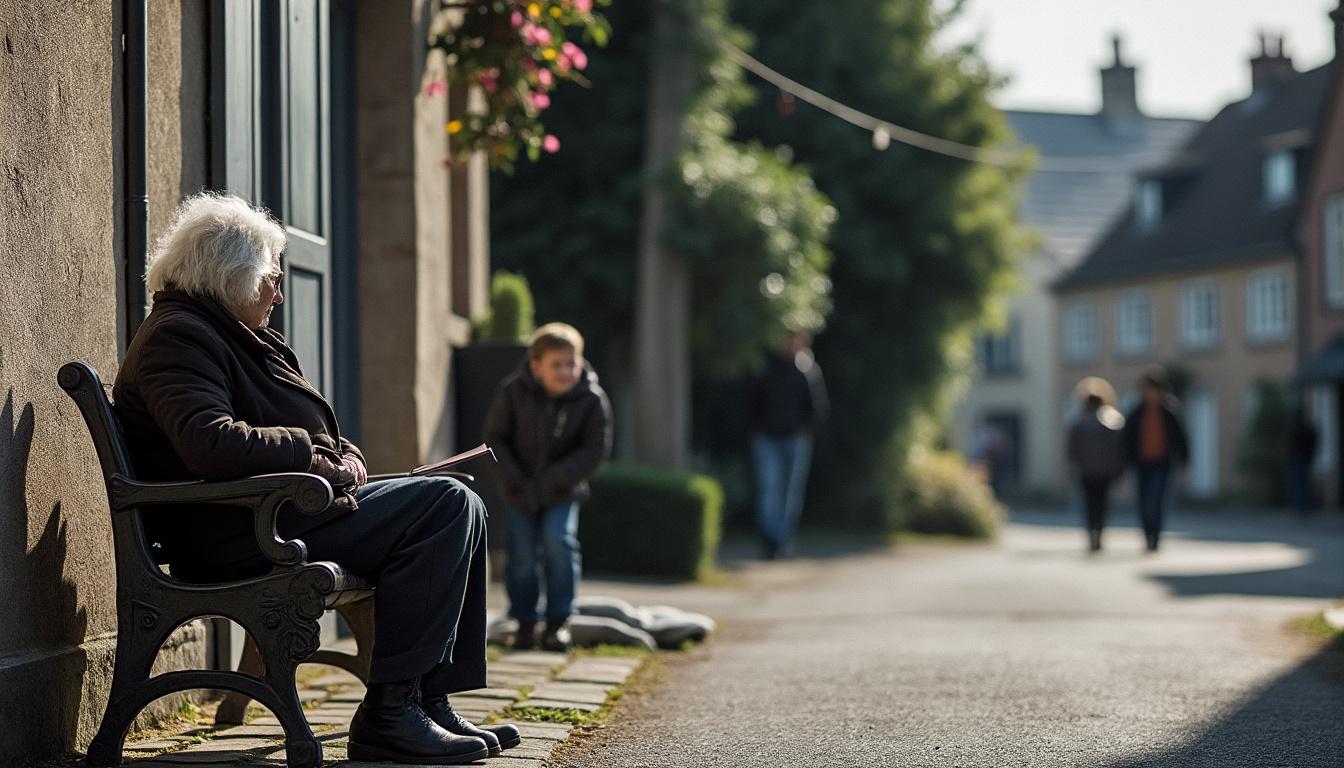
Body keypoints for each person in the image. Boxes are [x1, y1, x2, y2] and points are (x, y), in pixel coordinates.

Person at [113, 192, 519, 765]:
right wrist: (315, 458)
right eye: (271, 279)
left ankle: (427, 700)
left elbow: (298, 426)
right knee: (445, 505)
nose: (279, 293)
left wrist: (342, 453)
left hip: (281, 512)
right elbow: (212, 443)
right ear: (231, 274)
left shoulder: (231, 333)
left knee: (463, 501)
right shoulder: (178, 336)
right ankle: (389, 715)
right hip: (242, 530)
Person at [484, 323, 612, 652]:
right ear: (536, 365)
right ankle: (525, 622)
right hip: (519, 492)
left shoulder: (591, 399)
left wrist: (553, 481)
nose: (565, 371)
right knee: (522, 555)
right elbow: (496, 439)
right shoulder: (512, 391)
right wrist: (516, 480)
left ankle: (558, 622)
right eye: (556, 365)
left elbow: (594, 450)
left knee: (559, 542)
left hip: (562, 492)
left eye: (571, 364)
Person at [750, 329, 828, 559]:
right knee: (769, 488)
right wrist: (756, 430)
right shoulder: (767, 367)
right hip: (767, 438)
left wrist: (806, 433)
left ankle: (783, 541)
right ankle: (770, 540)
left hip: (796, 440)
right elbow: (753, 400)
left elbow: (817, 408)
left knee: (790, 494)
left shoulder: (808, 370)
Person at [1122, 367, 1189, 552]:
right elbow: (1127, 439)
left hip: (1162, 462)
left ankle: (1156, 536)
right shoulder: (1136, 413)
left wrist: (1184, 459)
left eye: (1154, 390)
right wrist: (1125, 462)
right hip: (1141, 463)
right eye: (1148, 390)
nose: (1151, 394)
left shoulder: (1169, 412)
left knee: (1157, 500)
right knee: (1144, 502)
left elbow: (1181, 437)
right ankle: (1147, 535)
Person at [1066, 378, 1127, 553]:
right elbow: (1118, 448)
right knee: (1102, 505)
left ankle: (1092, 534)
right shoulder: (1112, 421)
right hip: (1104, 472)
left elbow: (1072, 449)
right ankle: (1098, 534)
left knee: (1089, 504)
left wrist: (1073, 467)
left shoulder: (1079, 423)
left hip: (1086, 471)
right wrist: (1118, 469)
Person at [1285, 405, 1319, 517]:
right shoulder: (1307, 429)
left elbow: (1290, 444)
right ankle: (1302, 507)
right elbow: (1314, 442)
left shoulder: (1296, 429)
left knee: (1299, 484)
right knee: (1303, 483)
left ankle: (1301, 507)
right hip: (1303, 459)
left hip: (1298, 459)